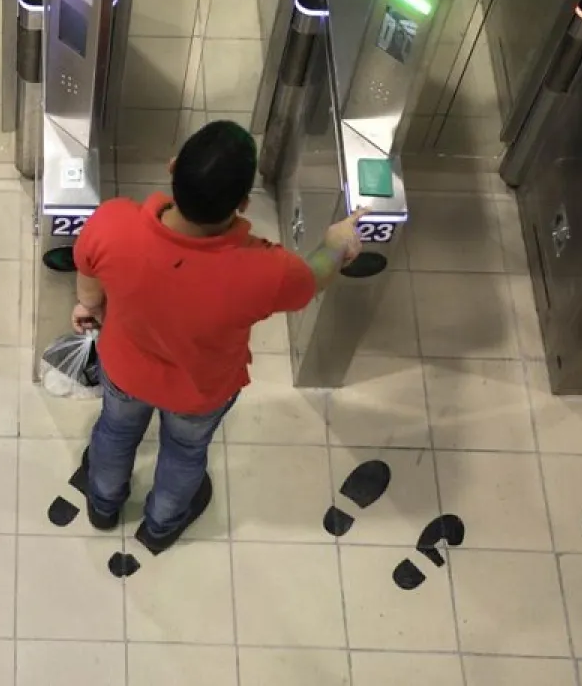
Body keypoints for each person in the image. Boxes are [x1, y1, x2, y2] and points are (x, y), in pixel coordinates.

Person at [70, 119, 363, 554]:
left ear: (173, 169)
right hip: (200, 390)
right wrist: (336, 244)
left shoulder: (113, 223)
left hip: (124, 370)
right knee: (185, 454)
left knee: (115, 431)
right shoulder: (267, 271)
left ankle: (103, 503)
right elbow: (313, 279)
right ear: (243, 203)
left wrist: (89, 307)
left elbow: (89, 276)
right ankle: (162, 523)